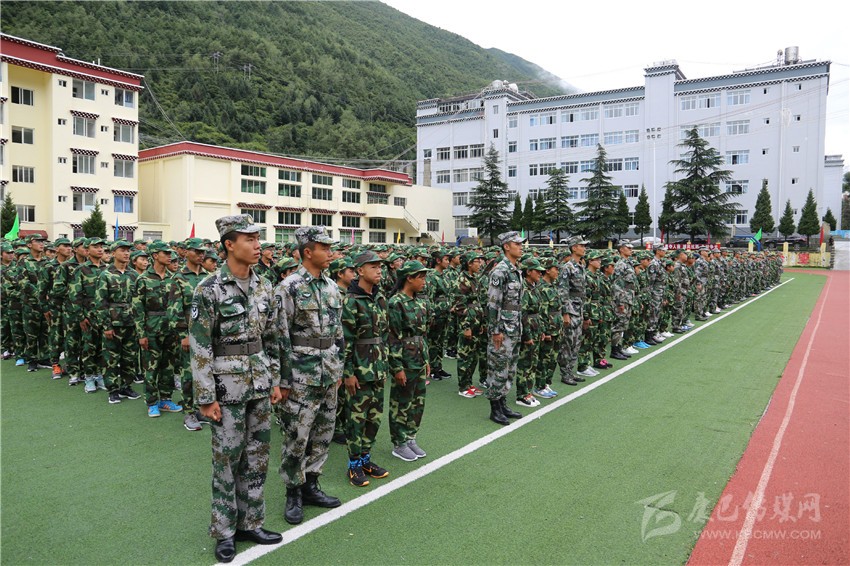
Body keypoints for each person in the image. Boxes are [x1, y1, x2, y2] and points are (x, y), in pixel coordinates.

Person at [190, 214, 283, 563]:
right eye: (250, 239)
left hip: (259, 383)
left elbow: (272, 337)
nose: (258, 245)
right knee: (227, 461)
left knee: (257, 458)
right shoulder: (209, 289)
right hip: (226, 387)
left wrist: (275, 380)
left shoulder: (264, 286)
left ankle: (251, 523)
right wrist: (206, 397)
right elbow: (200, 346)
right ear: (229, 244)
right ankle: (225, 531)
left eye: (258, 239)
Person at [277, 226, 343, 524]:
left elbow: (338, 332)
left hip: (328, 370)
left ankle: (312, 484)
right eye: (324, 248)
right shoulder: (289, 287)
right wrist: (283, 380)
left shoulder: (331, 286)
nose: (330, 253)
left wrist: (339, 367)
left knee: (323, 432)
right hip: (301, 374)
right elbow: (279, 337)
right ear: (308, 251)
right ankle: (293, 490)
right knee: (297, 434)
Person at [342, 250, 391, 486]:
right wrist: (348, 373)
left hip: (378, 369)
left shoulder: (380, 298)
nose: (379, 270)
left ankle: (365, 459)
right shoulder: (351, 301)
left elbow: (385, 334)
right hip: (359, 372)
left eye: (380, 266)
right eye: (373, 266)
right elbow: (345, 341)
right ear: (360, 271)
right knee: (356, 419)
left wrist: (386, 364)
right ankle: (353, 465)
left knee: (374, 418)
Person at [387, 260, 431, 462]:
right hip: (404, 359)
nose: (424, 281)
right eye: (420, 277)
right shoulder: (396, 302)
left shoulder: (420, 301)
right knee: (401, 402)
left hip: (419, 357)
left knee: (417, 402)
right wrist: (397, 367)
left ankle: (411, 437)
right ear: (409, 278)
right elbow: (392, 337)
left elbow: (423, 334)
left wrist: (426, 359)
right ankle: (399, 442)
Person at [133, 241, 183, 417]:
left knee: (168, 366)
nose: (170, 256)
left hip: (171, 329)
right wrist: (141, 334)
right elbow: (137, 309)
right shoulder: (143, 279)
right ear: (155, 256)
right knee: (151, 367)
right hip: (151, 328)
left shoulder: (174, 278)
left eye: (170, 253)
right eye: (165, 253)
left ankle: (166, 399)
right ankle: (152, 402)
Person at [485, 231, 525, 426]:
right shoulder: (500, 271)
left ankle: (503, 404)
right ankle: (495, 408)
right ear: (506, 247)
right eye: (517, 244)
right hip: (502, 329)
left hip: (514, 326)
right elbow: (493, 304)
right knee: (498, 368)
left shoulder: (515, 269)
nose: (521, 247)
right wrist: (495, 331)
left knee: (510, 368)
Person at [94, 240, 142, 404]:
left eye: (128, 250)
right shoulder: (106, 275)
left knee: (130, 357)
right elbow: (101, 302)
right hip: (114, 323)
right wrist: (106, 325)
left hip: (131, 322)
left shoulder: (134, 275)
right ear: (113, 253)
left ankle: (126, 386)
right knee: (111, 358)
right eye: (122, 250)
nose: (126, 253)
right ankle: (113, 389)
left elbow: (139, 300)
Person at [169, 238, 210, 431]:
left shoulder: (208, 276)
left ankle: (201, 408)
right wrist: (183, 335)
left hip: (207, 333)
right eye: (197, 251)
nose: (201, 255)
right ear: (186, 253)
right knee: (188, 374)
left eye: (203, 252)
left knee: (205, 373)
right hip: (189, 333)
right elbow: (174, 310)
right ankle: (188, 411)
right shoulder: (178, 278)